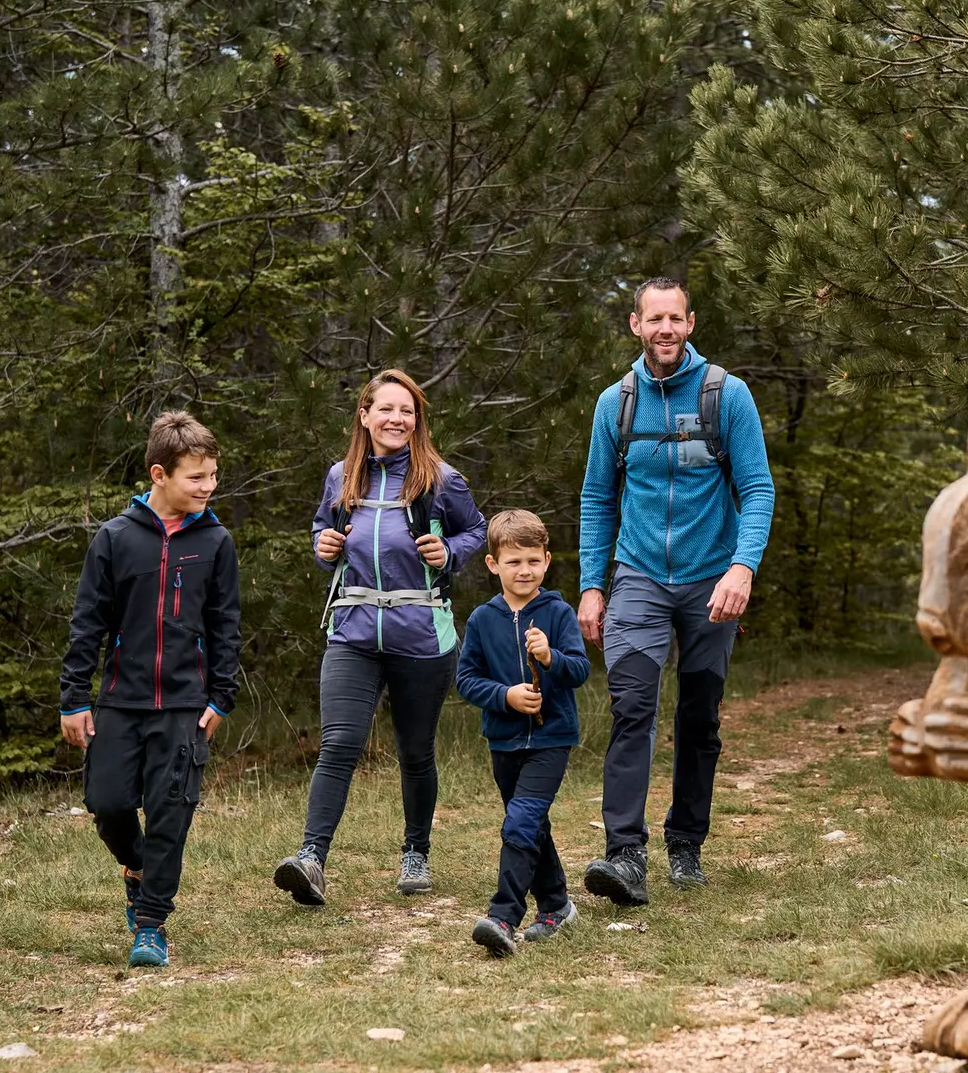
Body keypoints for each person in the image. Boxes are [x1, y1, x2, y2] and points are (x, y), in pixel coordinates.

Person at [577, 277, 775, 906]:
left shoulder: (726, 394)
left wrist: (742, 568)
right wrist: (591, 585)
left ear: (690, 323)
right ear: (635, 325)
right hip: (638, 574)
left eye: (675, 318)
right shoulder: (615, 403)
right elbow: (597, 498)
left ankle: (686, 843)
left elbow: (758, 488)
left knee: (699, 713)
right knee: (632, 706)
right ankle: (625, 855)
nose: (665, 329)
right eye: (653, 318)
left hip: (712, 577)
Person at [275, 369, 486, 906]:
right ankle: (311, 858)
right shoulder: (340, 476)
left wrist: (450, 553)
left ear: (417, 421)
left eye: (407, 411)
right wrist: (323, 547)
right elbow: (322, 531)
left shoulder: (442, 479)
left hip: (422, 635)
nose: (397, 419)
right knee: (340, 743)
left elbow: (477, 530)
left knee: (415, 751)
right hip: (353, 629)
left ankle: (416, 852)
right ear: (364, 416)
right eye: (386, 409)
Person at [59, 411, 241, 969]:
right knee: (107, 803)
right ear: (159, 474)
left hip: (186, 704)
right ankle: (137, 869)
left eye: (213, 475)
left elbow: (225, 625)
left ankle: (151, 924)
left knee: (170, 813)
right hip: (120, 699)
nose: (209, 486)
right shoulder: (115, 539)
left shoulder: (216, 542)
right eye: (196, 477)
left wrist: (221, 697)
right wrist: (74, 698)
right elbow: (88, 622)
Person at [456, 510, 592, 956]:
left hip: (552, 738)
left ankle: (503, 916)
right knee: (531, 825)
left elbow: (580, 670)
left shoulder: (558, 613)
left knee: (520, 821)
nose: (524, 570)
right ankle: (557, 905)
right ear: (493, 564)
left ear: (547, 561)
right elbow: (466, 680)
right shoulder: (482, 619)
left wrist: (551, 658)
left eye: (533, 560)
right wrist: (506, 696)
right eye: (513, 562)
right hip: (504, 739)